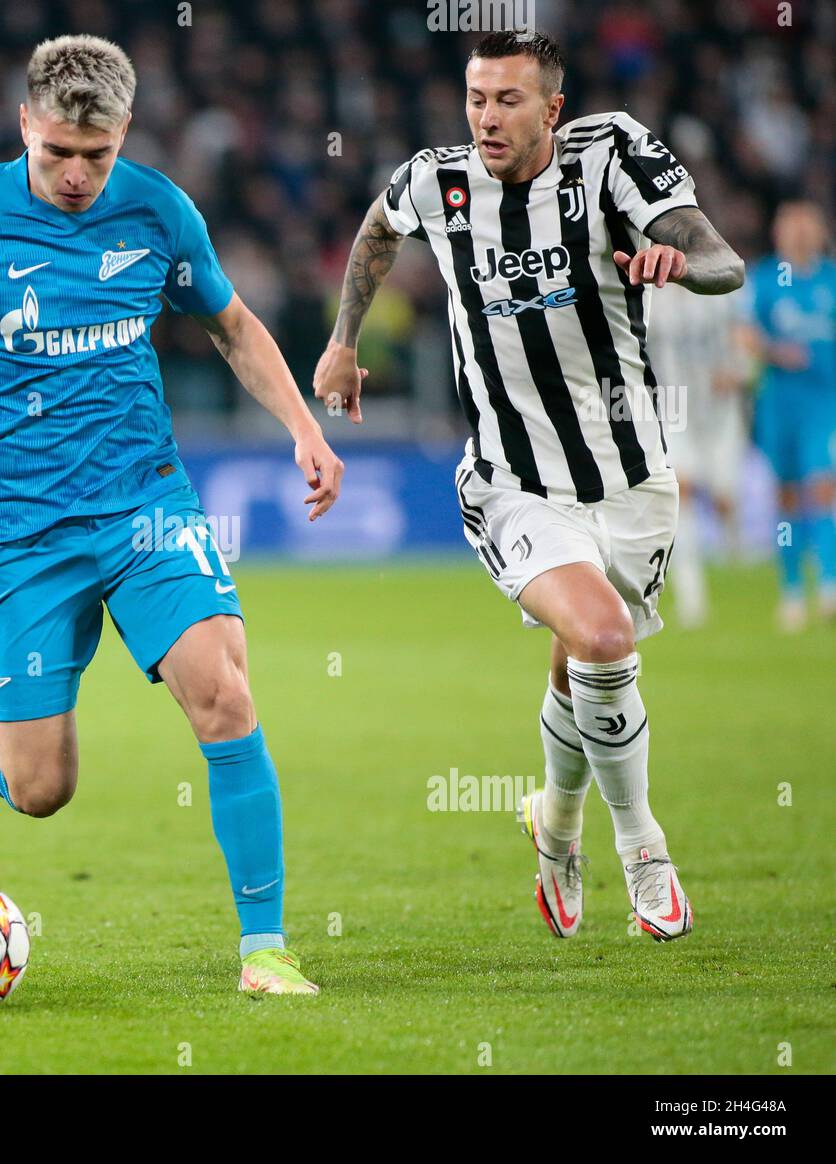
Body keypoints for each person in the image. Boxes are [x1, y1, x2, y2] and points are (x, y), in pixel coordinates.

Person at [0, 36, 343, 995]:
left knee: (225, 691)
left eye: (98, 155)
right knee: (42, 791)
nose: (80, 176)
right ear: (24, 127)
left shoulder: (160, 209)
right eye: (58, 155)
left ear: (123, 132)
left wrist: (302, 427)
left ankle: (265, 950)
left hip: (144, 503)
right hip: (18, 527)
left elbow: (233, 326)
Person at [314, 30, 743, 942]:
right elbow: (378, 229)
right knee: (601, 633)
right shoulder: (440, 179)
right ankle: (644, 850)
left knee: (583, 658)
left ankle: (554, 825)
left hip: (630, 477)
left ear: (552, 108)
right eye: (475, 98)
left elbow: (720, 259)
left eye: (508, 100)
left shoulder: (612, 153)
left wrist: (676, 263)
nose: (486, 117)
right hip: (513, 481)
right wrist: (345, 342)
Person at [741, 201, 836, 631]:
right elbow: (743, 332)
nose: (797, 234)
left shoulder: (830, 280)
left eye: (805, 226)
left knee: (821, 490)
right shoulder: (767, 279)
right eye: (790, 226)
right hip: (779, 404)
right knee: (786, 497)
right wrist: (775, 351)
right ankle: (793, 590)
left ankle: (830, 584)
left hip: (824, 403)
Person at [645, 280, 749, 627]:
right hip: (673, 407)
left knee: (723, 498)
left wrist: (738, 370)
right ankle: (692, 596)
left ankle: (738, 554)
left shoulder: (722, 290)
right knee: (680, 492)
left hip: (719, 408)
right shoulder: (650, 297)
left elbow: (744, 336)